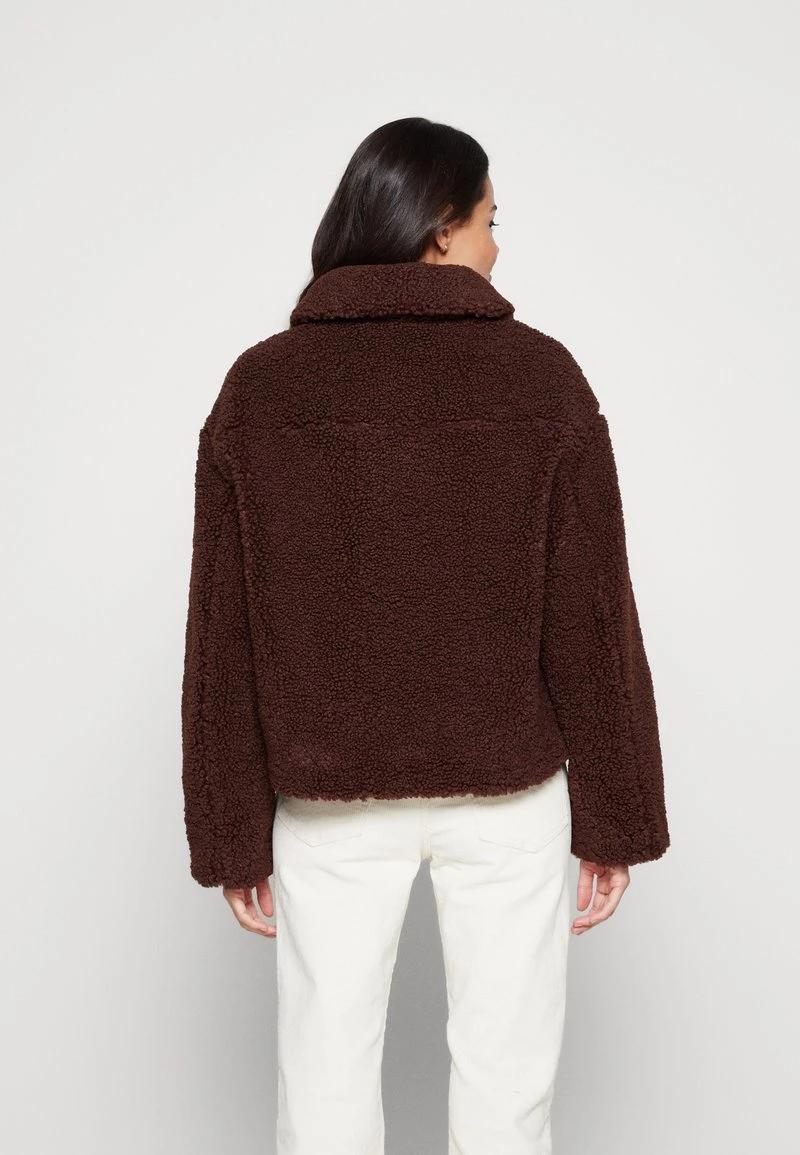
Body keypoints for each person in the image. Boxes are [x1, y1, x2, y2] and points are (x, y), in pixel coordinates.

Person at [180, 116, 670, 1155]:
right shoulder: (540, 378)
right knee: (507, 1085)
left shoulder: (261, 387)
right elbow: (592, 614)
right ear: (441, 228)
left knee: (322, 1084)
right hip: (507, 794)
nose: (497, 245)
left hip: (327, 795)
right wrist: (615, 815)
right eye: (491, 220)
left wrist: (231, 828)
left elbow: (222, 633)